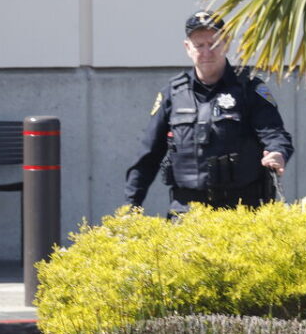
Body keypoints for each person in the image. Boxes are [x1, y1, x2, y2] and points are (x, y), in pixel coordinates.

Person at [124, 11, 294, 216]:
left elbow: (274, 134)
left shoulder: (249, 89)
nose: (207, 52)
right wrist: (130, 208)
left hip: (241, 211)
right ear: (188, 48)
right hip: (186, 213)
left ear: (227, 44)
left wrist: (277, 153)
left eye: (213, 44)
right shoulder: (173, 93)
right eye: (199, 45)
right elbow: (147, 156)